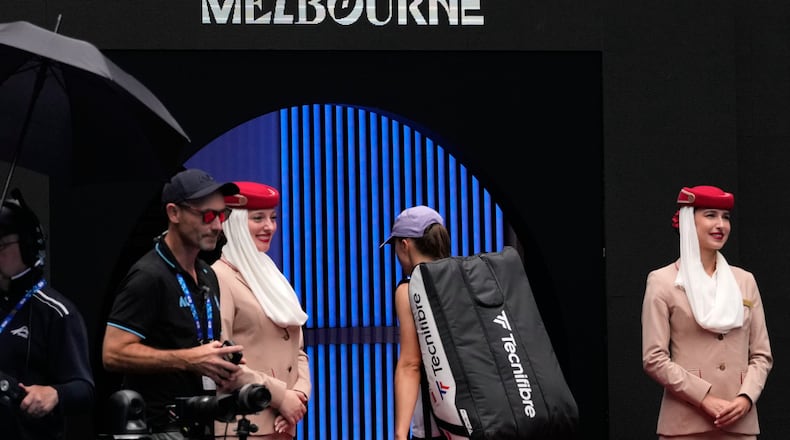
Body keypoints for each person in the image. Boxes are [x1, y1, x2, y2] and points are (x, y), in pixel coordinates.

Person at [102, 168, 245, 439]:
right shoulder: (149, 275)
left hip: (200, 423)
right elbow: (112, 353)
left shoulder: (207, 273)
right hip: (156, 427)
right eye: (207, 215)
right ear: (174, 213)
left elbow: (192, 344)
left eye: (222, 215)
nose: (216, 225)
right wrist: (189, 359)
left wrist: (219, 360)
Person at [641, 185, 773, 440]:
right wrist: (704, 398)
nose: (721, 224)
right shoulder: (663, 281)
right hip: (684, 422)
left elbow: (761, 355)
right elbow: (654, 358)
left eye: (726, 217)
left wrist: (746, 398)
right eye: (711, 215)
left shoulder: (744, 281)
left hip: (739, 422)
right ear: (689, 220)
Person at [212, 181, 310, 439]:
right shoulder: (220, 277)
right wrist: (281, 397)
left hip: (284, 423)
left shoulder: (271, 274)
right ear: (233, 223)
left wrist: (299, 395)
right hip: (245, 424)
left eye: (273, 218)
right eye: (258, 218)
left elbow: (297, 349)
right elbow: (222, 360)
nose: (269, 226)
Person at [0, 188, 94, 440]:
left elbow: (83, 389)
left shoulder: (57, 312)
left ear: (30, 246)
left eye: (2, 244)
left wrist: (54, 394)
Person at [380, 205, 450, 440]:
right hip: (478, 419)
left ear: (405, 244)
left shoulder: (409, 289)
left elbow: (411, 364)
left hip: (437, 424)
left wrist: (400, 434)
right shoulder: (466, 277)